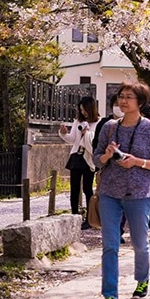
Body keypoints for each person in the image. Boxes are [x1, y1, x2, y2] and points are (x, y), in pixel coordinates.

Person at [93, 82, 150, 299]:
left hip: (139, 194)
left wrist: (137, 162)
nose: (123, 101)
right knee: (110, 245)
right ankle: (110, 297)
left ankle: (142, 279)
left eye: (129, 97)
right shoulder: (109, 127)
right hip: (109, 193)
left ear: (141, 102)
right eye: (121, 96)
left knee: (139, 244)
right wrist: (106, 155)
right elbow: (96, 159)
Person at [59, 96, 99, 229]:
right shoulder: (78, 121)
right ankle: (74, 216)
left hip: (88, 157)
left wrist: (86, 133)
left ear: (91, 108)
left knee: (87, 188)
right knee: (74, 188)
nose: (83, 112)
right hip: (76, 156)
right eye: (81, 110)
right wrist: (63, 134)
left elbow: (96, 141)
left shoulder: (99, 122)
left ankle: (90, 218)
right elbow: (72, 139)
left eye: (84, 109)